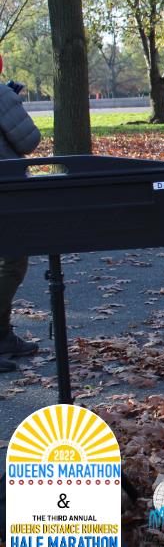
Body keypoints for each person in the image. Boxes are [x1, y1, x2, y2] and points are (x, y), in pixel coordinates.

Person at [0, 62, 41, 372]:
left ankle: (3, 336)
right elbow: (29, 141)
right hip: (5, 189)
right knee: (12, 262)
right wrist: (11, 101)